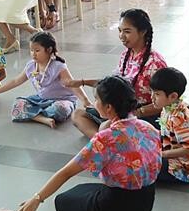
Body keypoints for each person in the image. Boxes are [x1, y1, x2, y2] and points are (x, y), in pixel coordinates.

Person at [16, 76, 161, 211]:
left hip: (119, 210)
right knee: (80, 190)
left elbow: (66, 173)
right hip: (145, 206)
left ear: (108, 107)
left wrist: (36, 199)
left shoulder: (107, 139)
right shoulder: (149, 128)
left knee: (61, 202)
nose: (94, 102)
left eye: (96, 99)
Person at [68, 9, 168, 138]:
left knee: (107, 127)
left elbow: (164, 104)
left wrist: (135, 113)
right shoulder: (126, 55)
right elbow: (112, 84)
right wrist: (83, 82)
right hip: (121, 111)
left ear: (142, 32)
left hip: (143, 116)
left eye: (127, 31)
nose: (121, 36)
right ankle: (103, 140)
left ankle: (103, 140)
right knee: (78, 115)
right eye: (120, 31)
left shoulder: (155, 63)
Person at [0, 32, 91, 128]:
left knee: (61, 109)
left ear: (49, 50)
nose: (33, 54)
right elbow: (16, 81)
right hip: (41, 100)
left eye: (37, 50)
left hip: (62, 100)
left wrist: (85, 100)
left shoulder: (58, 66)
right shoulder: (31, 66)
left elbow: (72, 84)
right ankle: (42, 119)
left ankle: (33, 114)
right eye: (31, 50)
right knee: (18, 104)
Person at [150, 68, 189, 184]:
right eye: (152, 92)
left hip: (186, 169)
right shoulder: (169, 106)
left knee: (142, 166)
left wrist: (162, 154)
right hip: (171, 153)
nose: (152, 97)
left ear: (173, 96)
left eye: (157, 94)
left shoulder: (179, 118)